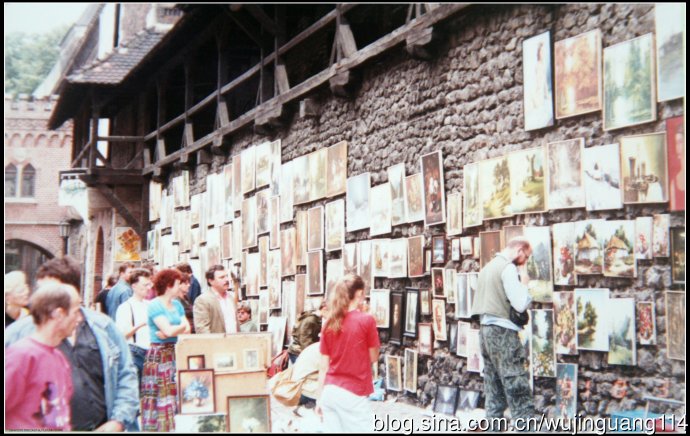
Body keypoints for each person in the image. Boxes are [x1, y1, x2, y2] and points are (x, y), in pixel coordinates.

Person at [5, 256, 140, 431]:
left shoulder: (104, 327)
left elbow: (126, 374)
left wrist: (118, 421)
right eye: (41, 293)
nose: (40, 300)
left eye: (51, 293)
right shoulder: (18, 338)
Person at [471, 237, 534, 430]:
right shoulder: (507, 268)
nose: (525, 261)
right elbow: (520, 303)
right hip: (503, 334)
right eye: (526, 256)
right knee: (518, 388)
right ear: (519, 250)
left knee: (493, 391)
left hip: (485, 333)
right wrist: (524, 283)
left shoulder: (486, 269)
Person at [5, 282, 82, 430]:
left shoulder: (59, 358)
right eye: (76, 312)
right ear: (59, 314)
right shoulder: (21, 356)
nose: (79, 319)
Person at [316, 274, 380, 432]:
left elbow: (323, 367)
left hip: (329, 392)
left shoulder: (329, 323)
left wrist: (319, 399)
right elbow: (374, 357)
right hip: (353, 393)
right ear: (359, 294)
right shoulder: (367, 320)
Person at [141, 268, 191, 432]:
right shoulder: (155, 305)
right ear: (169, 286)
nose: (180, 287)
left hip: (173, 351)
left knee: (171, 393)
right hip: (159, 354)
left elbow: (186, 328)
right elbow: (172, 330)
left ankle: (170, 427)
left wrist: (170, 331)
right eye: (178, 284)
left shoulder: (177, 304)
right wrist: (173, 330)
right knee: (159, 395)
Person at [115, 268, 152, 389]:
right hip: (135, 353)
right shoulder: (125, 307)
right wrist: (141, 324)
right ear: (134, 286)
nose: (148, 287)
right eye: (145, 285)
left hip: (150, 351)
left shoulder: (149, 305)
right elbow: (122, 334)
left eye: (149, 284)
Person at [193, 265, 238, 334]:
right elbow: (202, 329)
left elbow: (235, 324)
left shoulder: (230, 298)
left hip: (235, 342)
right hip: (217, 343)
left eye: (226, 276)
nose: (226, 280)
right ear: (211, 281)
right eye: (222, 277)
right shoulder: (203, 300)